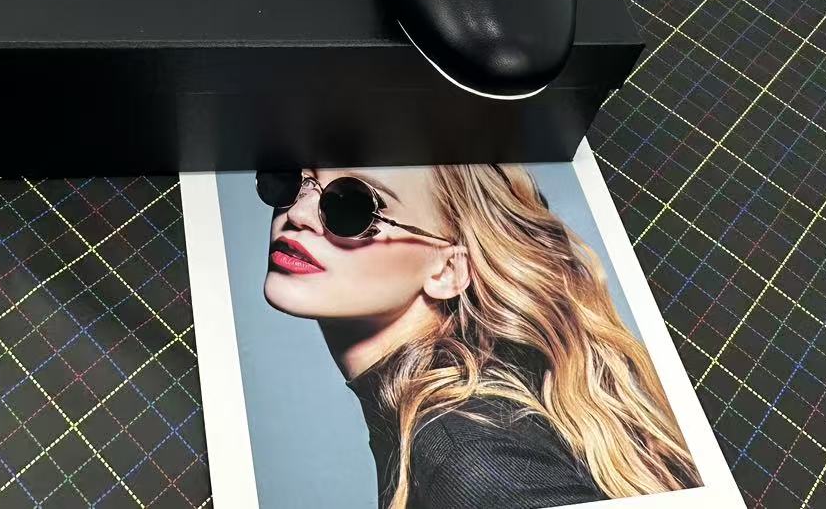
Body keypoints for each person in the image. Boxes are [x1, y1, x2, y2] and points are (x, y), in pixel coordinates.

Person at [258, 164, 698, 509]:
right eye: (292, 181)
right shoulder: (445, 423)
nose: (296, 216)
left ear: (447, 270)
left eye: (352, 206)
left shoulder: (465, 457)